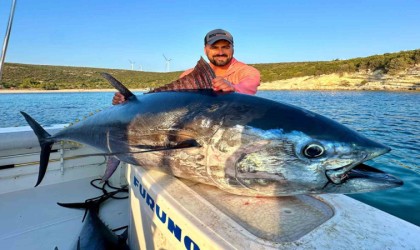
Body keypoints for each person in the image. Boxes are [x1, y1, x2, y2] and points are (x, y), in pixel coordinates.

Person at [112, 29, 260, 105]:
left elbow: (248, 88)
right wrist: (130, 103)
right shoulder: (189, 74)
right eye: (215, 47)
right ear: (205, 50)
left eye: (225, 47)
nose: (220, 52)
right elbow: (173, 101)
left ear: (233, 48)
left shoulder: (249, 72)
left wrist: (233, 88)